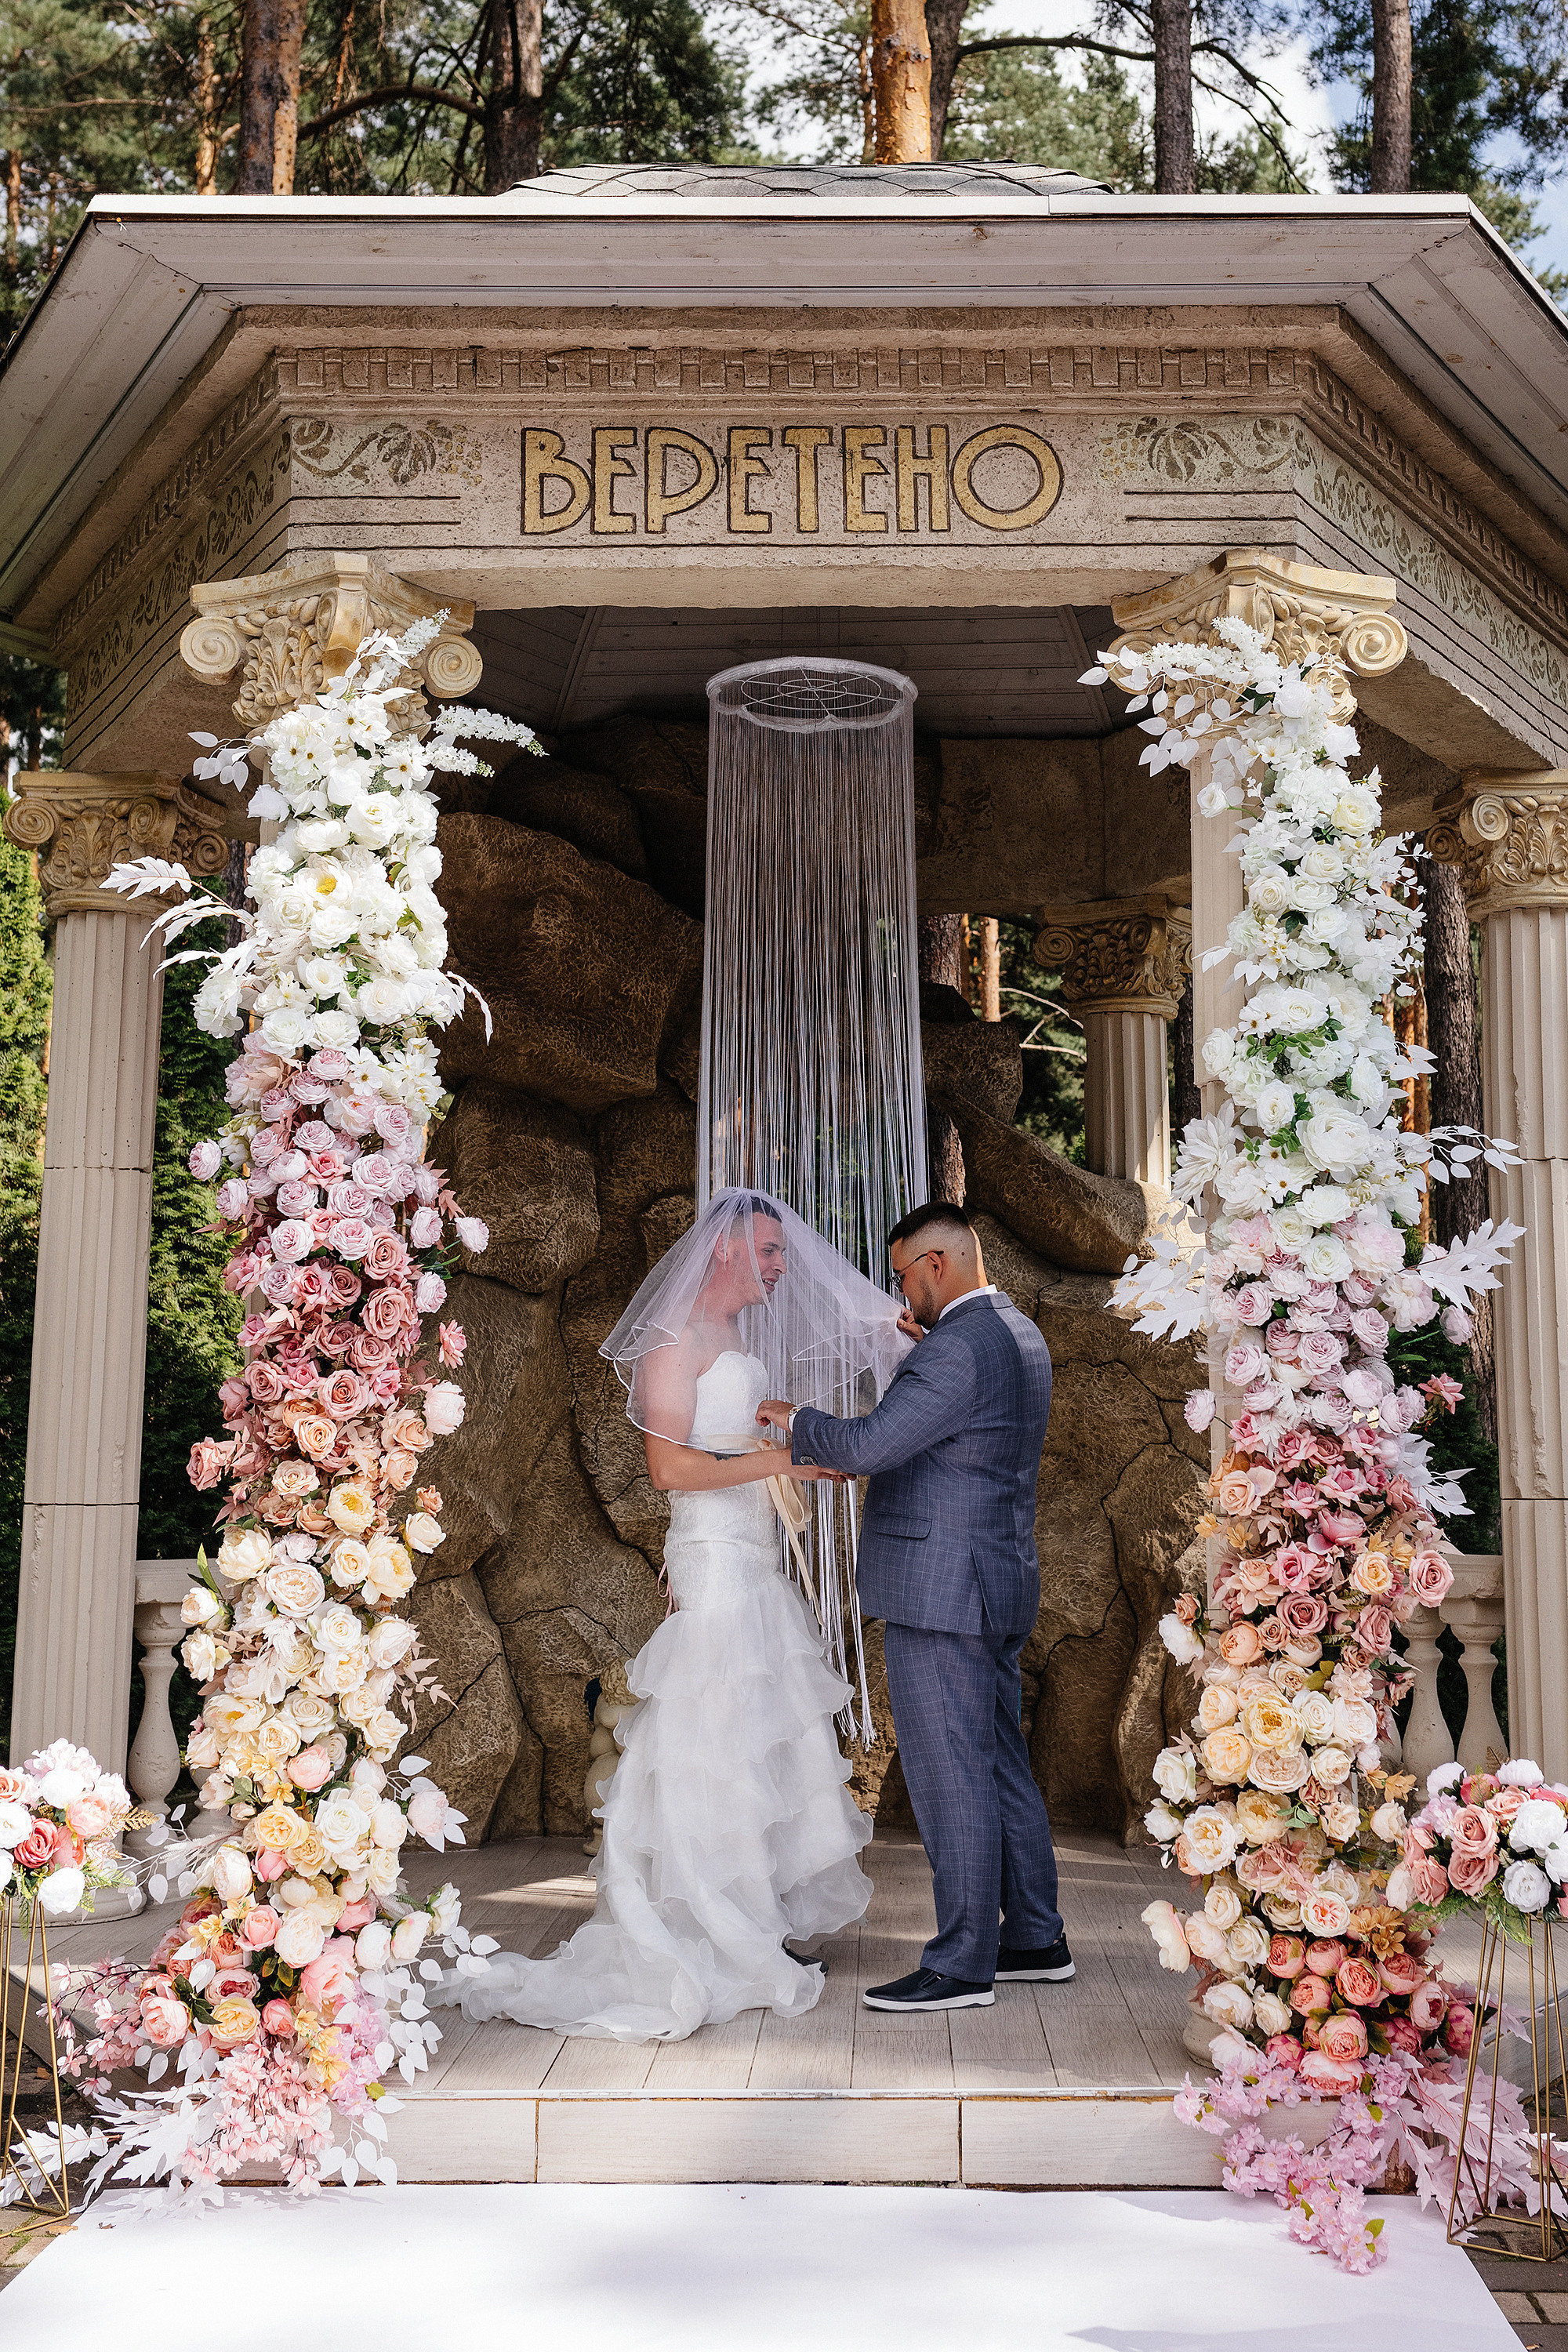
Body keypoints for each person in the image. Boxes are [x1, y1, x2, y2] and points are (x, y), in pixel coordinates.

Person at [431, 1189, 904, 2044]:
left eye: (778, 1253)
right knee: (710, 1741)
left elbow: (733, 1450)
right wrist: (780, 1459)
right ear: (720, 1251)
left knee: (753, 1736)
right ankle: (708, 1930)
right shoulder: (670, 1341)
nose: (777, 1267)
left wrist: (806, 1432)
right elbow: (669, 1472)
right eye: (765, 1251)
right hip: (712, 1561)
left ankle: (751, 1921)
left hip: (751, 1556)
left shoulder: (734, 1342)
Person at [757, 1200, 1072, 2014]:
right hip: (992, 1581)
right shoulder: (1011, 1334)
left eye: (903, 1273)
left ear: (937, 1264)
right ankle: (1034, 1938)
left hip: (943, 1593)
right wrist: (921, 1354)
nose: (901, 1290)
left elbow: (866, 1447)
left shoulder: (955, 1352)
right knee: (997, 1762)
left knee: (948, 1777)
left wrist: (797, 1420)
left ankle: (963, 1962)